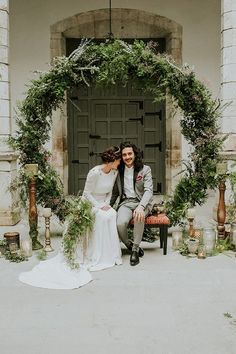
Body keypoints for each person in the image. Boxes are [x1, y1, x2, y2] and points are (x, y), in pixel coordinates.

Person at [19, 146, 122, 289]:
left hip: (103, 202)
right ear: (112, 161)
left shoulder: (114, 172)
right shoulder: (95, 173)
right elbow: (86, 193)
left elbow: (110, 192)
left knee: (112, 214)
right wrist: (98, 206)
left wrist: (106, 204)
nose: (120, 163)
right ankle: (95, 255)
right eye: (118, 160)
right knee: (102, 217)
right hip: (90, 203)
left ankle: (109, 255)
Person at [110, 142, 153, 266]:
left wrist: (141, 207)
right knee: (120, 223)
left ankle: (135, 251)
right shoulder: (118, 171)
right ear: (121, 157)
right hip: (126, 203)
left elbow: (148, 190)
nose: (127, 157)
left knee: (139, 216)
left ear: (134, 154)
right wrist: (107, 206)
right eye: (124, 155)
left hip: (141, 202)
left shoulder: (145, 169)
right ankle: (129, 245)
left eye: (130, 154)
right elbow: (115, 193)